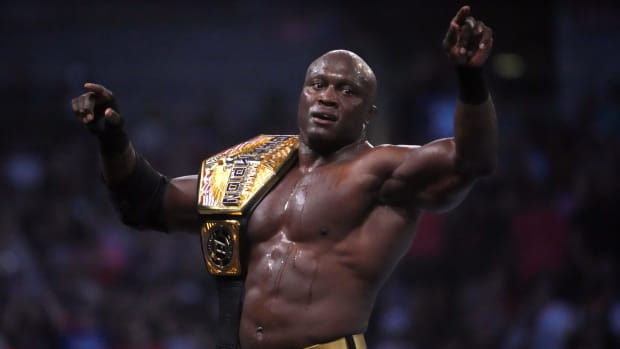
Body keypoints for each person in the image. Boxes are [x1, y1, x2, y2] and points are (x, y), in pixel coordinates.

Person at [71, 5, 496, 349]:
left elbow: (469, 160)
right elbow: (143, 202)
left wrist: (470, 79)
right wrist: (112, 138)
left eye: (346, 90)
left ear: (369, 114)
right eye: (318, 84)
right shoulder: (251, 169)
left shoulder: (381, 171)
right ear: (302, 94)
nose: (328, 96)